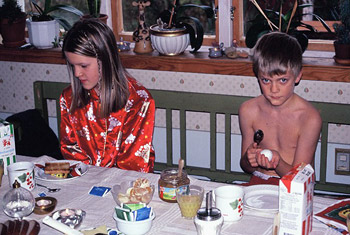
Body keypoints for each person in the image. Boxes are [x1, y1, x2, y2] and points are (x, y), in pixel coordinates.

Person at [60, 18, 155, 173]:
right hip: (84, 183)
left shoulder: (139, 101)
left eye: (83, 66)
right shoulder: (69, 98)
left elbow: (133, 165)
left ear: (105, 59)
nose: (77, 73)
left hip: (126, 186)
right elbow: (71, 154)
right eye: (72, 65)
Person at [239, 32, 322, 185]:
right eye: (266, 80)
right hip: (258, 185)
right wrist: (249, 158)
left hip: (294, 190)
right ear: (257, 76)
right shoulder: (248, 111)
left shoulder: (309, 118)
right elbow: (246, 167)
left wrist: (277, 162)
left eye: (282, 80)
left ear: (297, 76)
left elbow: (300, 179)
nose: (274, 89)